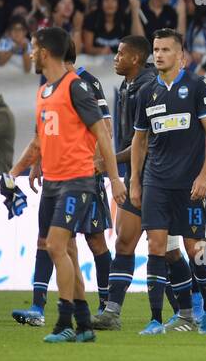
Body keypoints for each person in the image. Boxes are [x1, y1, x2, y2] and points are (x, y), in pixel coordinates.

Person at [8, 27, 125, 343]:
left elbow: (102, 132)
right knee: (68, 251)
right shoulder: (44, 91)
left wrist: (114, 180)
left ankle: (64, 323)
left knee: (56, 246)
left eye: (33, 48)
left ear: (45, 51)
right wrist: (14, 172)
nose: (30, 54)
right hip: (53, 183)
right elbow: (39, 141)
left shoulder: (77, 87)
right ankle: (85, 325)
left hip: (78, 181)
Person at [128, 29, 206, 336]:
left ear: (181, 56)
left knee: (196, 248)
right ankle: (156, 318)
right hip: (157, 182)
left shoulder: (197, 86)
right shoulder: (146, 92)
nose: (158, 54)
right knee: (156, 246)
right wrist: (135, 181)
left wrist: (205, 175)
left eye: (166, 50)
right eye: (155, 49)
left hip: (190, 184)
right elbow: (140, 140)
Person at [92, 35, 158, 330]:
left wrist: (110, 160)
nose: (115, 58)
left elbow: (145, 142)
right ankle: (112, 313)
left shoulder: (149, 88)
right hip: (135, 179)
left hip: (159, 179)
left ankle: (194, 309)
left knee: (167, 249)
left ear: (135, 59)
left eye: (120, 54)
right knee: (124, 242)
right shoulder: (126, 87)